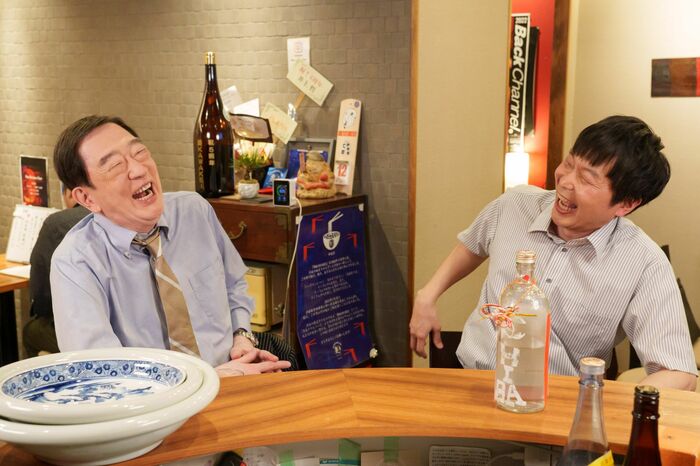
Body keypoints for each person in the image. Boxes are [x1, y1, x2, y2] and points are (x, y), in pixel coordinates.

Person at [410, 115, 697, 391]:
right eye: (569, 163)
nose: (565, 181)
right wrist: (428, 295)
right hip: (472, 380)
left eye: (587, 179)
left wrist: (615, 411)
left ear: (626, 204)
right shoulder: (514, 205)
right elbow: (472, 245)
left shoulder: (643, 262)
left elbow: (679, 374)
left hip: (556, 402)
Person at [50, 115, 290, 375]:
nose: (139, 169)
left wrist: (242, 337)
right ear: (87, 198)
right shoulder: (75, 262)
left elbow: (234, 284)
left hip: (237, 376)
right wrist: (215, 379)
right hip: (160, 399)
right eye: (116, 165)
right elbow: (101, 372)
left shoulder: (194, 211)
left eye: (139, 152)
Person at [22, 185, 89, 357]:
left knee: (32, 331)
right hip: (131, 327)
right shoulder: (120, 215)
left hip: (84, 333)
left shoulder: (55, 224)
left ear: (72, 193)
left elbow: (41, 296)